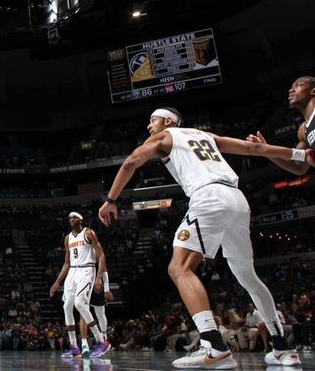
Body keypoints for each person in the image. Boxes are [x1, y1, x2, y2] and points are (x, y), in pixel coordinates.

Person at [98, 107, 311, 368]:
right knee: (248, 276)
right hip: (237, 199)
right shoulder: (205, 135)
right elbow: (256, 149)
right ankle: (282, 347)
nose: (149, 126)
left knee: (179, 268)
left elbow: (131, 160)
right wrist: (301, 153)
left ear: (168, 121)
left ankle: (213, 345)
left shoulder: (164, 137)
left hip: (208, 198)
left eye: (152, 120)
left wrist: (110, 199)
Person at [49, 212, 111, 358]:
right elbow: (66, 262)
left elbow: (101, 255)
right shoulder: (67, 238)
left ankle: (101, 341)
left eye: (74, 217)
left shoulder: (88, 233)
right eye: (70, 218)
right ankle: (74, 347)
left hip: (86, 270)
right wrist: (57, 282)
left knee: (79, 303)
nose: (71, 220)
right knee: (66, 306)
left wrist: (98, 277)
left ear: (81, 219)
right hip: (72, 272)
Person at [246, 76, 315, 174]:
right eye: (291, 87)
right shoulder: (303, 131)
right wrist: (264, 149)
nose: (291, 89)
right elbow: (297, 167)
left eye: (298, 85)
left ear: (313, 91)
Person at [80, 267, 113, 344]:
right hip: (84, 284)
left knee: (100, 314)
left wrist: (106, 289)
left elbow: (104, 270)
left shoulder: (97, 255)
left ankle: (104, 335)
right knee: (83, 315)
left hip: (96, 285)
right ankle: (86, 342)